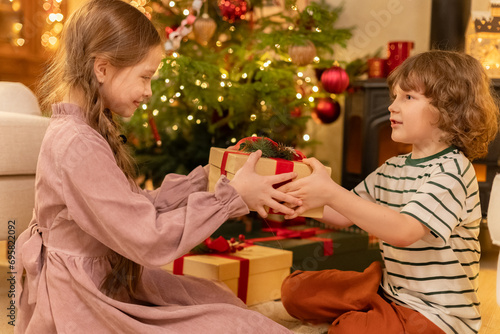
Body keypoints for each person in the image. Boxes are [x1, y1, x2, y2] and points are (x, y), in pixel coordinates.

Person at [15, 0, 299, 333]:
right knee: (240, 326)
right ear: (102, 69)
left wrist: (207, 180)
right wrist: (229, 197)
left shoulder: (83, 130)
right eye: (145, 77)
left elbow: (130, 208)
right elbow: (147, 238)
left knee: (217, 299)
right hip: (82, 296)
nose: (149, 92)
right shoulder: (78, 143)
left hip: (106, 277)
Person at [279, 50, 499, 334]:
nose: (392, 107)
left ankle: (361, 318)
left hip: (436, 315)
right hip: (389, 290)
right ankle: (370, 309)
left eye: (408, 97)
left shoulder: (453, 171)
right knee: (295, 290)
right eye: (394, 97)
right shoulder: (393, 167)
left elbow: (404, 231)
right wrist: (295, 196)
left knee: (350, 330)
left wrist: (331, 192)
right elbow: (343, 214)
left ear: (449, 109)